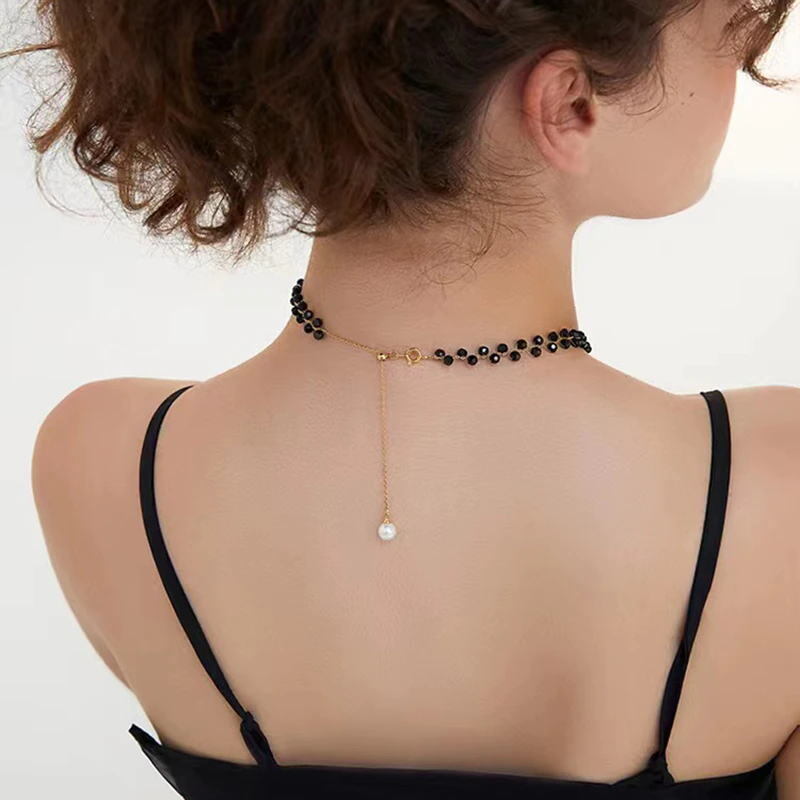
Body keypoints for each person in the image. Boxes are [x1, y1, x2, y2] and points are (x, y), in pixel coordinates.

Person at [12, 0, 800, 797]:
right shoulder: (780, 483)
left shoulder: (105, 460)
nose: (738, 75)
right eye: (737, 37)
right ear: (569, 102)